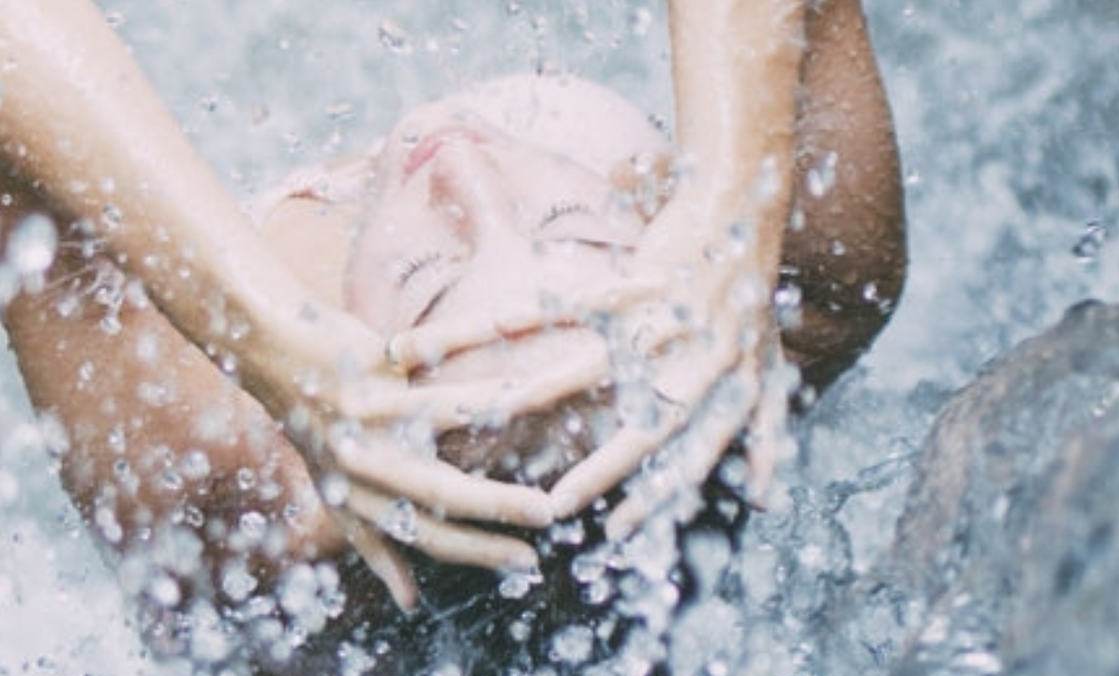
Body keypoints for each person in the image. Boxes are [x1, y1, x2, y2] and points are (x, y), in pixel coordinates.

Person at [0, 0, 906, 617]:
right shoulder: (798, 297)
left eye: (428, 275)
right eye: (568, 227)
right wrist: (730, 198)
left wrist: (264, 331)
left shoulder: (225, 493)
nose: (465, 166)